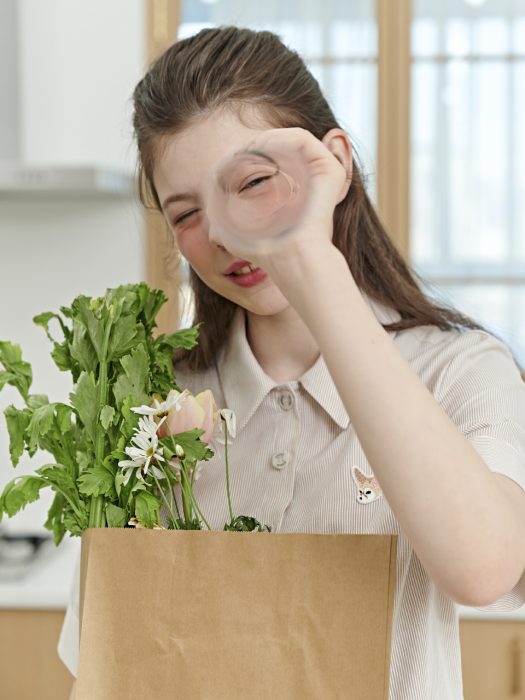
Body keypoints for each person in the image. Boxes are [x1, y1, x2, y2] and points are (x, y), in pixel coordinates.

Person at [61, 26, 525, 700]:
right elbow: (107, 655)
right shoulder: (156, 399)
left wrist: (307, 256)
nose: (224, 232)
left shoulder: (459, 369)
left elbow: (485, 570)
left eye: (250, 183)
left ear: (333, 164)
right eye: (187, 213)